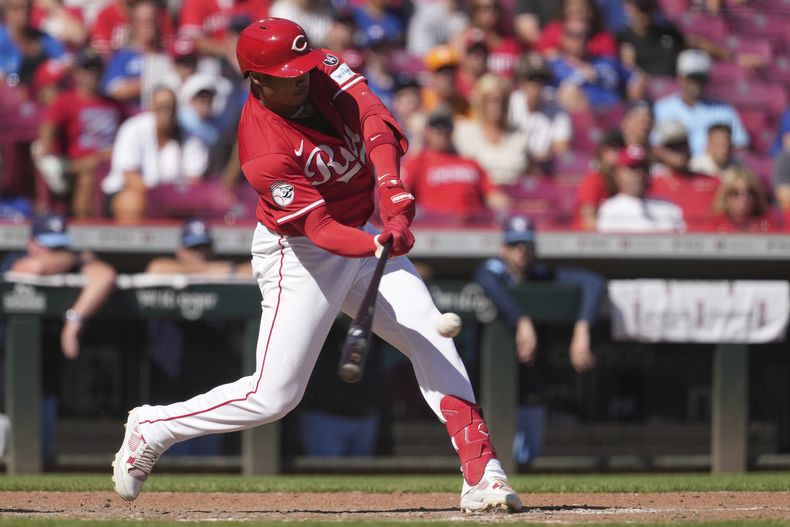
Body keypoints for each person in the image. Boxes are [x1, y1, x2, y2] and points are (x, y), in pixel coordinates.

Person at [112, 18, 522, 513]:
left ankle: (484, 473)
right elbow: (321, 230)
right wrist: (377, 245)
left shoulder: (323, 66)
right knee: (273, 396)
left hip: (362, 233)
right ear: (256, 80)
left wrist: (391, 188)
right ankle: (155, 427)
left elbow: (375, 120)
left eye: (301, 66)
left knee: (433, 338)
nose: (302, 76)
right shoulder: (261, 145)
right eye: (287, 74)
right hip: (299, 254)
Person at [473, 214, 605, 462]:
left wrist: (582, 328)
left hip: (531, 382)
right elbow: (485, 281)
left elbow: (594, 282)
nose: (521, 251)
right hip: (493, 383)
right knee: (491, 458)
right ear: (504, 248)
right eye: (514, 245)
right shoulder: (493, 270)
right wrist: (521, 320)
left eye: (527, 245)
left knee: (528, 457)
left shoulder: (540, 273)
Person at [1, 213, 117, 359]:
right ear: (32, 244)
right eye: (51, 247)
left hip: (49, 353)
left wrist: (73, 321)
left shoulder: (71, 263)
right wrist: (73, 257)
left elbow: (105, 275)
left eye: (61, 247)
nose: (57, 252)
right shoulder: (16, 259)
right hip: (9, 351)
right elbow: (34, 268)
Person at [102, 86, 210, 222]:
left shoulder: (191, 138)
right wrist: (158, 199)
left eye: (170, 107)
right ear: (151, 107)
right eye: (161, 107)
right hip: (129, 191)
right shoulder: (133, 129)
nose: (166, 112)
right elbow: (130, 176)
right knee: (132, 202)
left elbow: (195, 180)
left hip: (173, 199)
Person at [37, 51, 124, 217]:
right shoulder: (66, 100)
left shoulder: (114, 104)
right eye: (87, 68)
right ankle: (84, 231)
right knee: (89, 175)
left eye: (96, 68)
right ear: (77, 72)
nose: (92, 73)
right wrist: (47, 147)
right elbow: (48, 126)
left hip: (112, 161)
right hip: (76, 163)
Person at [402, 110, 509, 222]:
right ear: (427, 132)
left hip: (473, 225)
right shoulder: (418, 161)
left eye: (446, 126)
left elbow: (494, 197)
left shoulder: (470, 163)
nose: (442, 131)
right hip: (434, 226)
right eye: (436, 127)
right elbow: (402, 195)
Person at [652, 49, 749, 156]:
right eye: (691, 78)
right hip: (674, 167)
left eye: (700, 78)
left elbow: (741, 146)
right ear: (680, 78)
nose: (696, 83)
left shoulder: (724, 110)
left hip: (713, 168)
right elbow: (653, 145)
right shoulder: (662, 108)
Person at [548, 18, 645, 112]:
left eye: (583, 35)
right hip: (583, 119)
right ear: (562, 37)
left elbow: (635, 78)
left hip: (616, 113)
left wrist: (633, 100)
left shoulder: (607, 61)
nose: (577, 39)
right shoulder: (553, 66)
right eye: (571, 34)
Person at [454, 73, 530, 185]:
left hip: (513, 196)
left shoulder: (519, 137)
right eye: (491, 100)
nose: (497, 106)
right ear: (481, 103)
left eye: (502, 100)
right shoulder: (464, 133)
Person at [597, 144, 686, 232]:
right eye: (632, 168)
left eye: (643, 168)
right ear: (618, 174)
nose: (638, 173)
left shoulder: (668, 206)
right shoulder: (610, 209)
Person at [508, 53, 572, 172]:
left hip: (545, 171)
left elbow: (561, 151)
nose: (536, 85)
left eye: (541, 80)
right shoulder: (510, 104)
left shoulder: (557, 109)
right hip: (513, 168)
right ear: (521, 82)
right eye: (531, 79)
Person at [650, 120, 719, 228]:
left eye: (683, 144)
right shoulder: (651, 184)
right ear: (659, 150)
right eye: (673, 146)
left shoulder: (712, 182)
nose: (680, 151)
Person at [146, 218, 252, 276]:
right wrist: (209, 270)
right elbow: (155, 268)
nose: (200, 252)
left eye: (205, 246)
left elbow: (252, 271)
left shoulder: (224, 270)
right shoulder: (169, 268)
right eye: (194, 247)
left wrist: (230, 270)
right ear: (181, 251)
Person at [574, 130, 624, 229]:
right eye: (614, 148)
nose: (618, 153)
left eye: (622, 149)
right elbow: (589, 220)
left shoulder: (624, 182)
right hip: (589, 240)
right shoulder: (593, 180)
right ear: (602, 151)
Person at [708, 166, 777, 232]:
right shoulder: (713, 227)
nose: (744, 199)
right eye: (735, 193)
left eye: (750, 192)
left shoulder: (767, 225)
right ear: (725, 196)